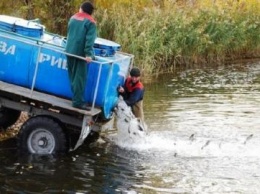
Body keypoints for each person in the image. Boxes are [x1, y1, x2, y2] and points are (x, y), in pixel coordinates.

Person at [65, 1, 97, 110]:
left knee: (72, 76)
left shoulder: (73, 18)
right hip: (80, 54)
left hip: (69, 50)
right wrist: (89, 54)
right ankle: (77, 102)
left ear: (81, 9)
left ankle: (76, 98)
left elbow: (70, 33)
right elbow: (89, 40)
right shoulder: (91, 22)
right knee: (79, 78)